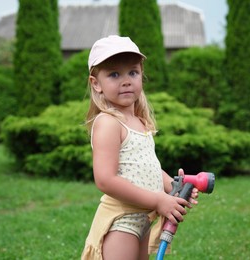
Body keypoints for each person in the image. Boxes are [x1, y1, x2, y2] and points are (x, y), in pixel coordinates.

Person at [81, 35, 198, 260]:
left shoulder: (140, 121)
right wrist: (157, 201)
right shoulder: (108, 122)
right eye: (114, 74)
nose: (126, 80)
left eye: (132, 72)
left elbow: (148, 166)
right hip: (121, 220)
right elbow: (105, 180)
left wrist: (172, 187)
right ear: (96, 84)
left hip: (143, 218)